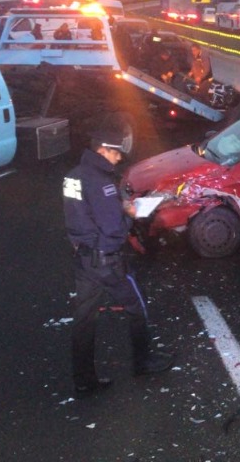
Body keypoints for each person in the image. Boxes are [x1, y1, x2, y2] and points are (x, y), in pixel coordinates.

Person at [62, 131, 174, 395]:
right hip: (107, 261)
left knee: (84, 319)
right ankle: (143, 362)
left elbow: (81, 215)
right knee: (136, 306)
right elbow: (114, 229)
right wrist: (129, 215)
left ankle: (84, 378)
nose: (118, 158)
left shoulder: (73, 176)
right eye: (115, 153)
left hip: (84, 258)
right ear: (102, 150)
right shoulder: (102, 183)